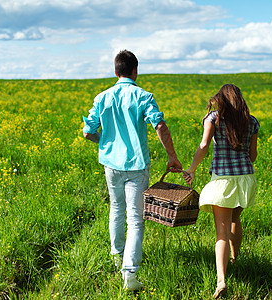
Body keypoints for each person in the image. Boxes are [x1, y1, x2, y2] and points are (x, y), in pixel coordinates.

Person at [82, 50, 182, 291]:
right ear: (135, 71)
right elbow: (160, 125)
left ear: (116, 72)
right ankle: (130, 273)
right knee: (136, 219)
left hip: (111, 165)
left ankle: (116, 258)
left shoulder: (101, 97)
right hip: (137, 166)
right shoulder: (143, 96)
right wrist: (172, 156)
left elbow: (87, 132)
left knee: (116, 210)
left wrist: (106, 143)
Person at [183, 84, 259, 299]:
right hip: (245, 179)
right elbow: (252, 156)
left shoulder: (213, 118)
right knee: (236, 219)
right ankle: (235, 259)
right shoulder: (251, 121)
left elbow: (205, 144)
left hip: (223, 181)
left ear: (221, 99)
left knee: (221, 233)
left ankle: (221, 281)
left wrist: (192, 169)